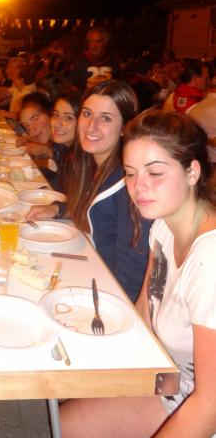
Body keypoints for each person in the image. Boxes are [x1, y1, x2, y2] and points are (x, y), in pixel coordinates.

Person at [59, 111, 216, 437]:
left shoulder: (209, 260)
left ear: (192, 172)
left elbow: (210, 405)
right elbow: (143, 313)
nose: (138, 187)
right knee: (54, 421)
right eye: (130, 174)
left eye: (155, 172)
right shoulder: (162, 227)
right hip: (167, 384)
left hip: (197, 407)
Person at [27, 80, 150, 301]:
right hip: (86, 269)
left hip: (105, 294)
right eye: (87, 114)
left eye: (106, 118)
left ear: (124, 127)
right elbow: (94, 210)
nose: (91, 126)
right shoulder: (90, 164)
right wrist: (59, 209)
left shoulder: (129, 186)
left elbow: (132, 279)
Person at [49, 89, 81, 192]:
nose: (57, 124)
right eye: (56, 115)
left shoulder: (82, 160)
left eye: (68, 118)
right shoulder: (64, 149)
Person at [69, 26, 119, 91]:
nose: (94, 45)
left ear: (105, 43)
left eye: (98, 41)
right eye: (91, 41)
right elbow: (73, 86)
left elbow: (119, 86)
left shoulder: (113, 61)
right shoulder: (80, 62)